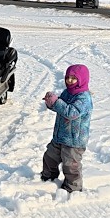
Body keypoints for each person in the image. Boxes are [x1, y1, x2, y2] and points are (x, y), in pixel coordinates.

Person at [39, 64, 93, 193]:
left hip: (74, 141)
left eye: (74, 78)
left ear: (82, 79)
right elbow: (60, 108)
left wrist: (57, 102)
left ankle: (73, 188)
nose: (69, 80)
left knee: (70, 166)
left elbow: (72, 113)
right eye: (68, 77)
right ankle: (48, 178)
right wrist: (51, 103)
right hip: (60, 136)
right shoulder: (67, 92)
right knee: (49, 157)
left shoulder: (84, 97)